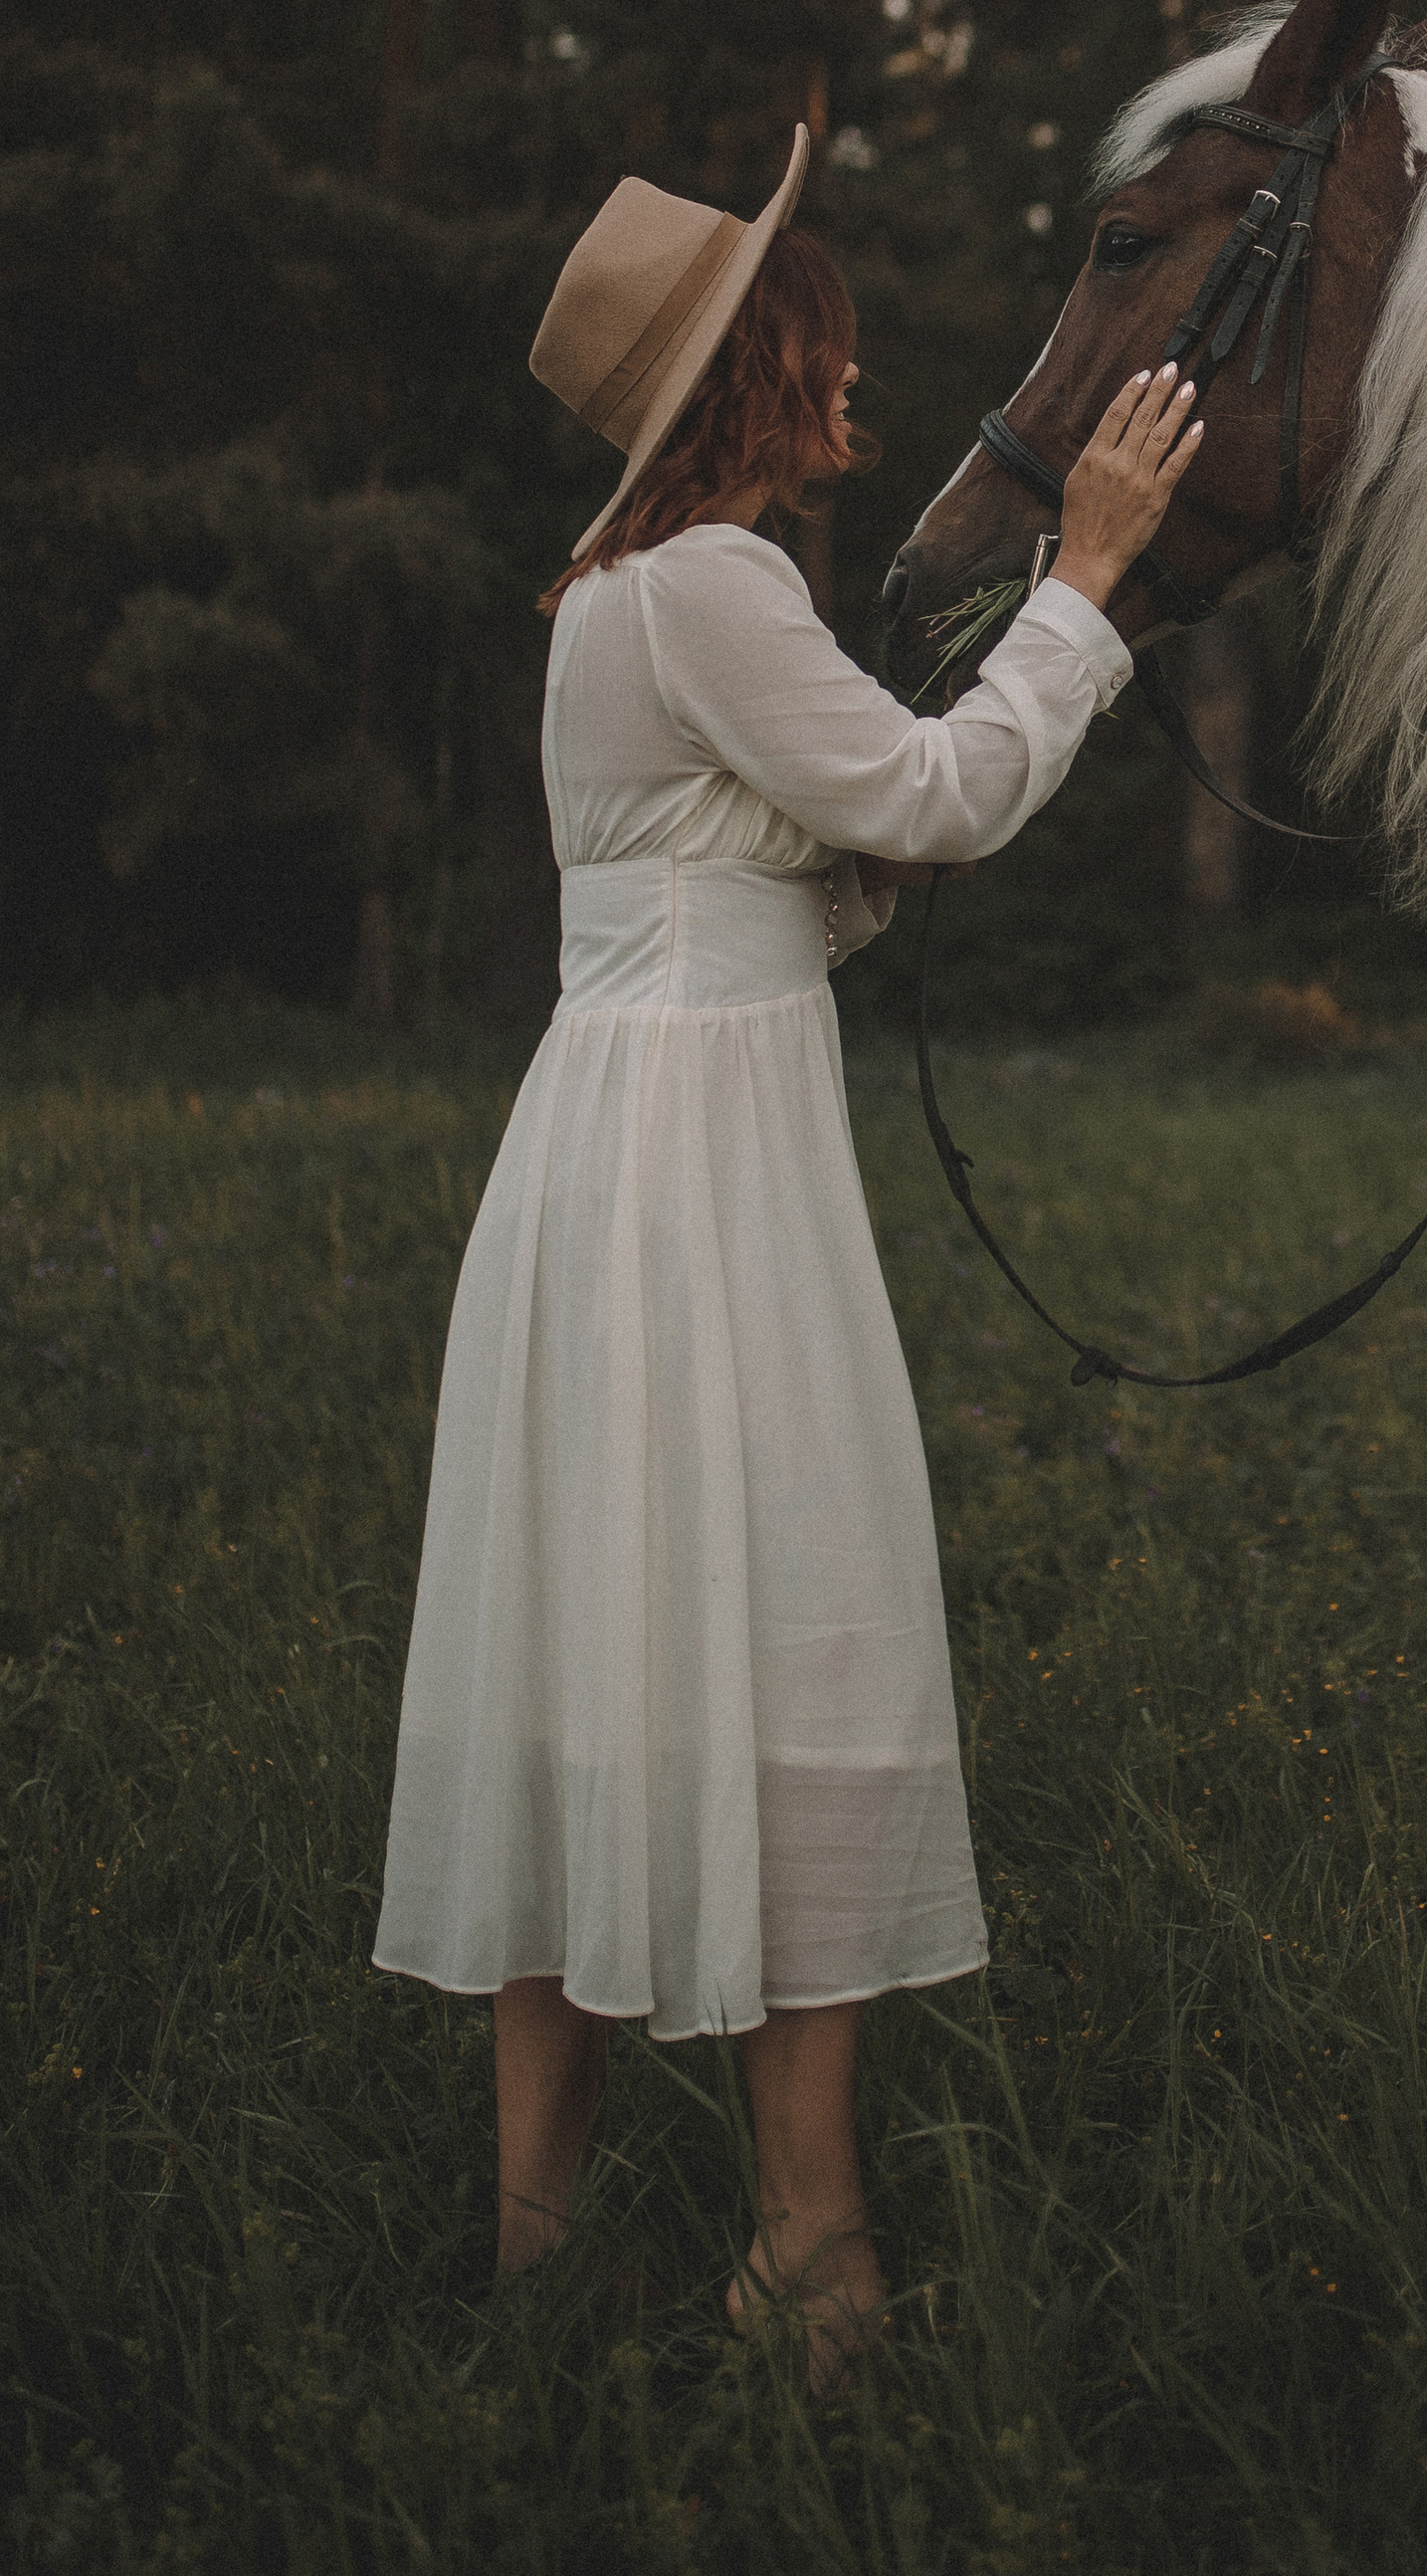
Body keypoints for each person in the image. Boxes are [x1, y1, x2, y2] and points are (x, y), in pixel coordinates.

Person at [373, 124, 1199, 2376]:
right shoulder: (720, 586)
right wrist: (1088, 579)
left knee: (586, 1661)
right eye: (823, 350)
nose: (853, 383)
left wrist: (862, 871)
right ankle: (808, 2259)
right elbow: (938, 793)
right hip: (703, 1169)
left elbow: (750, 892)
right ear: (756, 374)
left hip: (605, 1137)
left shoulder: (602, 598)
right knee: (797, 1639)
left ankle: (540, 2249)